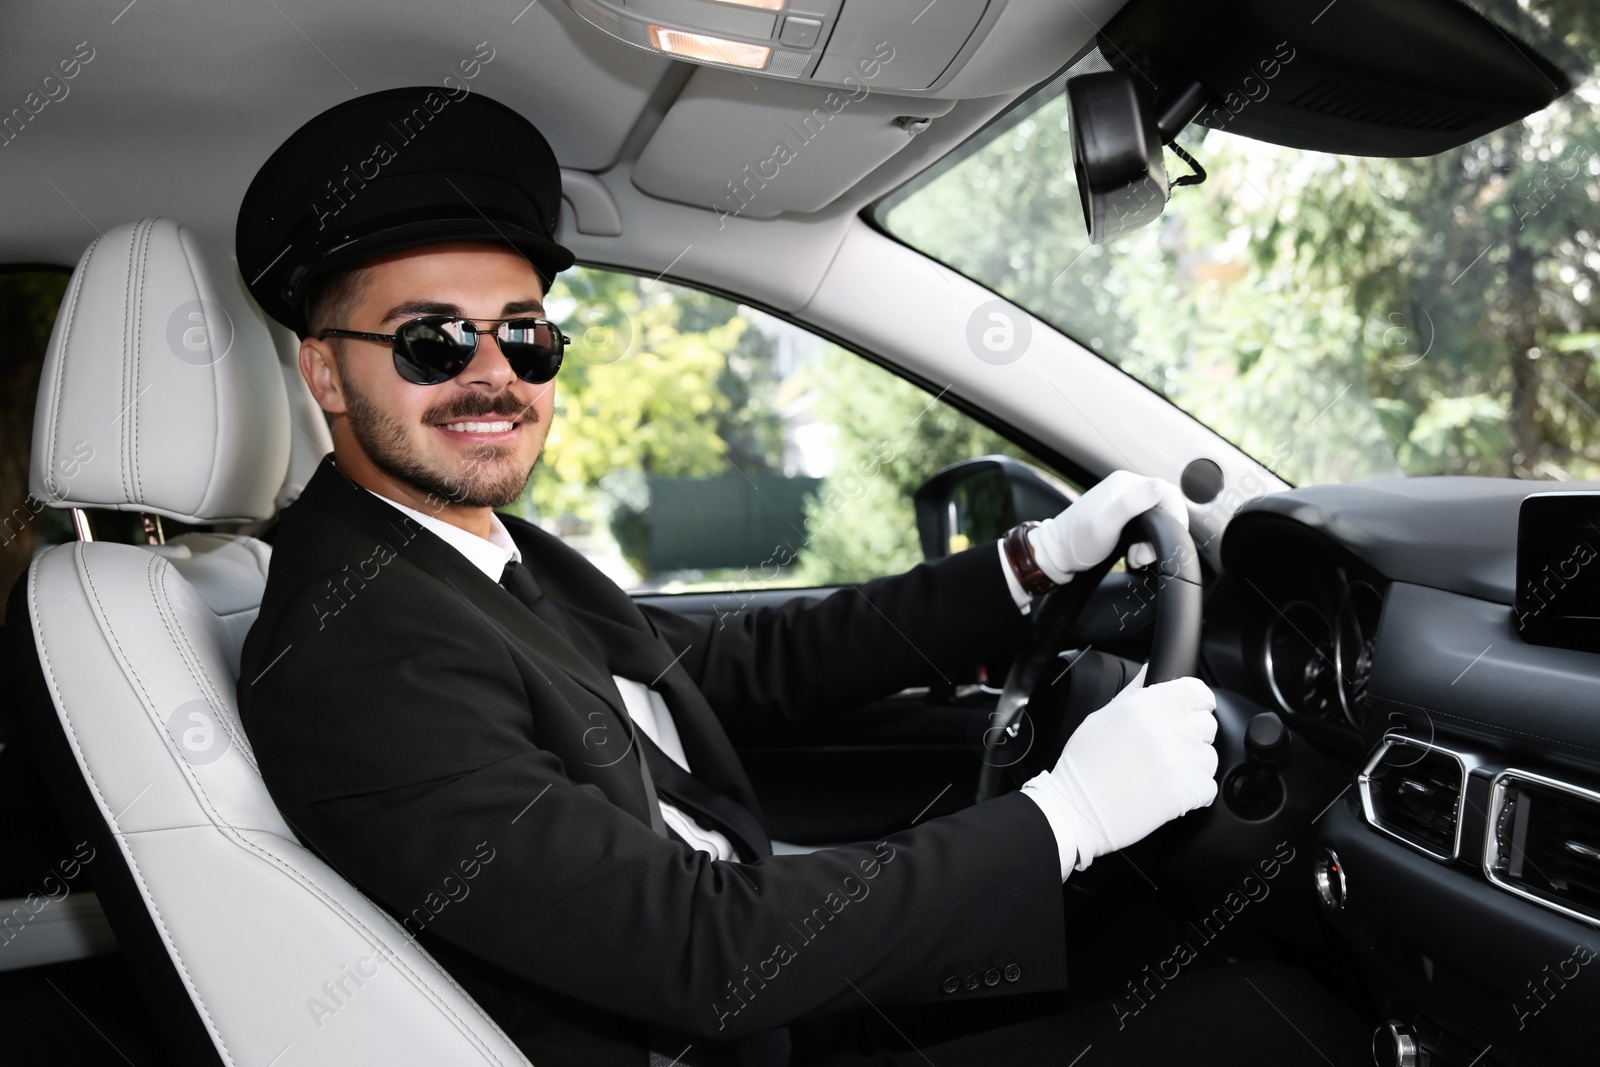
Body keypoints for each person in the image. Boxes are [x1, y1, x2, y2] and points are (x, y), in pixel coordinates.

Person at [236, 88, 1361, 1067]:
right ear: (326, 371)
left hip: (763, 992)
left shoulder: (459, 547)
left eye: (525, 338)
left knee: (1180, 948)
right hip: (711, 1023)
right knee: (1284, 1017)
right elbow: (695, 951)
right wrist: (1065, 813)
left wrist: (1031, 563)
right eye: (432, 341)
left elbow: (739, 668)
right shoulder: (354, 646)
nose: (494, 377)